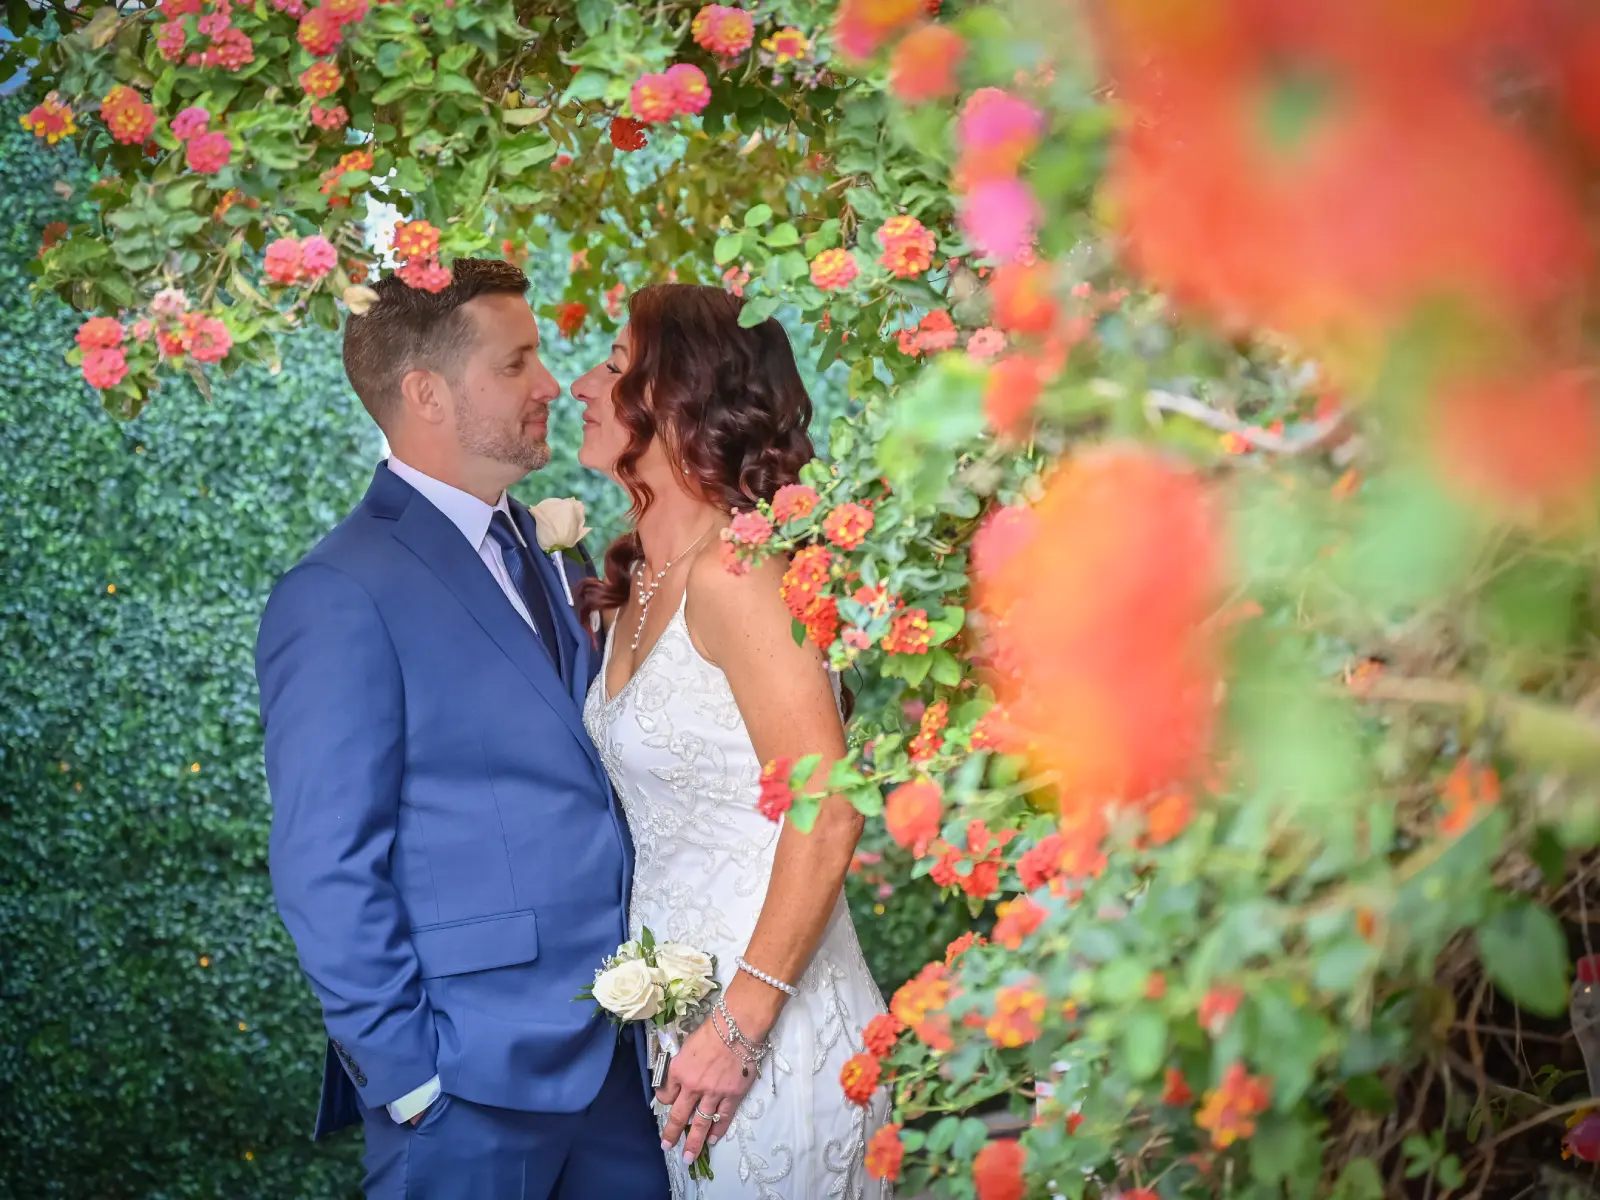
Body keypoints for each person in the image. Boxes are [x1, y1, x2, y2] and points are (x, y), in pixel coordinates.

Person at [255, 259, 669, 1200]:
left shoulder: (542, 546)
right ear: (426, 393)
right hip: (468, 1087)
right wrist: (410, 1083)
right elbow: (325, 862)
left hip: (621, 1063)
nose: (553, 385)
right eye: (517, 363)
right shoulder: (338, 593)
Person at [572, 283, 892, 1199]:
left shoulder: (739, 576)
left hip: (772, 1038)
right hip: (692, 1041)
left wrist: (739, 1031)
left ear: (681, 402)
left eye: (617, 367)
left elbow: (827, 812)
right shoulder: (639, 577)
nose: (585, 387)